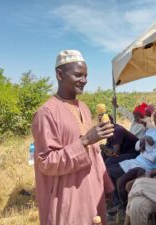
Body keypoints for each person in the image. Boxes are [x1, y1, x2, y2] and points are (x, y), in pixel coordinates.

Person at [32, 50, 115, 225]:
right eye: (78, 75)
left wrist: (105, 182)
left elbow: (93, 151)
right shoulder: (46, 113)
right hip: (68, 194)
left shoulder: (83, 107)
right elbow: (46, 162)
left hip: (93, 187)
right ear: (60, 74)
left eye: (86, 75)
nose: (84, 80)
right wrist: (85, 140)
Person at [106, 110, 156, 208]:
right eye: (155, 117)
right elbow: (137, 147)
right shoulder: (151, 131)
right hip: (137, 160)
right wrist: (143, 141)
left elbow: (153, 158)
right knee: (108, 167)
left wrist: (144, 150)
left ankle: (121, 204)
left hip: (146, 165)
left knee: (114, 175)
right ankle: (116, 199)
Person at [117, 118, 156, 208]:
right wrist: (151, 173)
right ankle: (127, 210)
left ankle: (133, 214)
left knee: (134, 188)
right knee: (129, 185)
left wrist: (155, 178)